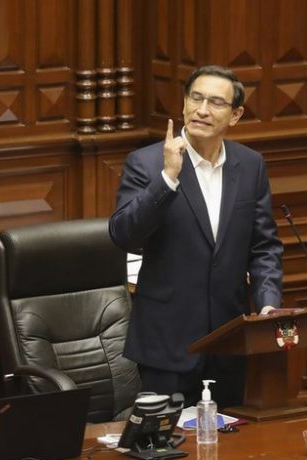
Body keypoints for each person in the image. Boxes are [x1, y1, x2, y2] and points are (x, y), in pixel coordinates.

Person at [109, 65, 283, 407]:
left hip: (230, 342)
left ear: (235, 115)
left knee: (231, 446)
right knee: (166, 451)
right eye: (196, 98)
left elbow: (264, 246)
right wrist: (167, 179)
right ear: (185, 103)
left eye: (216, 102)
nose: (202, 110)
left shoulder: (250, 165)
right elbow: (124, 235)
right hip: (167, 343)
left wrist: (267, 304)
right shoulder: (146, 163)